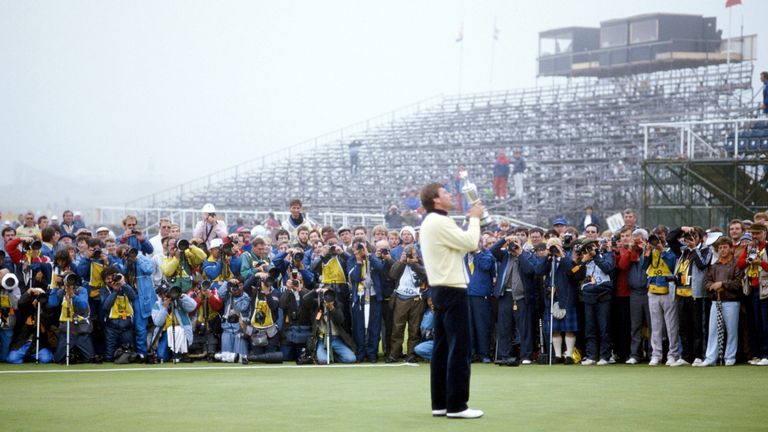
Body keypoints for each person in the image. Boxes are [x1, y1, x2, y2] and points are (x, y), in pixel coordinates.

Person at [419, 182, 484, 419]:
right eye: (445, 192)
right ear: (436, 199)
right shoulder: (440, 221)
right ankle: (457, 405)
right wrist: (475, 219)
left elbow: (460, 246)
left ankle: (441, 404)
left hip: (440, 288)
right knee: (460, 347)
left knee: (443, 347)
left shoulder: (431, 222)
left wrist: (471, 222)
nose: (450, 195)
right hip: (452, 288)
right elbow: (470, 243)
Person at [695, 238, 745, 366]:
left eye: (725, 247)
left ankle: (730, 357)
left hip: (731, 302)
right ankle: (711, 358)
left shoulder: (736, 264)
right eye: (720, 248)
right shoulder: (714, 266)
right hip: (716, 302)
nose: (722, 250)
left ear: (730, 248)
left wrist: (723, 284)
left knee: (731, 330)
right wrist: (712, 286)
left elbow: (739, 283)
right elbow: (706, 282)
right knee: (713, 330)